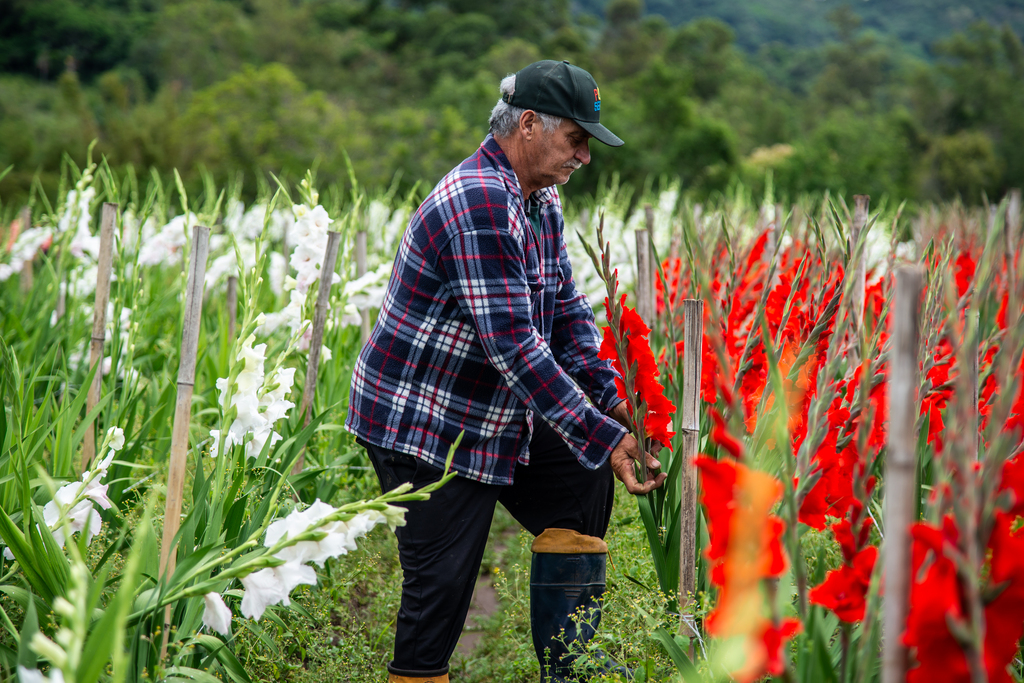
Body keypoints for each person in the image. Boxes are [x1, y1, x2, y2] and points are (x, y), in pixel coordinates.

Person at [346, 59, 666, 683]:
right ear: (527, 125)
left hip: (489, 410)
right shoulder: (481, 200)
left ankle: (564, 666)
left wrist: (616, 403)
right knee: (439, 593)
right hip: (426, 425)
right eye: (577, 140)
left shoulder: (538, 200)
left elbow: (568, 315)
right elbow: (516, 348)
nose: (585, 157)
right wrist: (605, 433)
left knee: (583, 474)